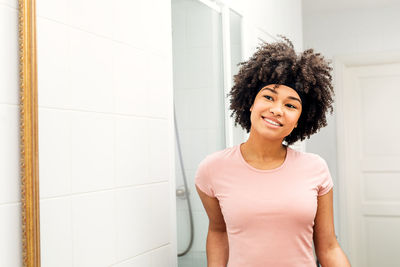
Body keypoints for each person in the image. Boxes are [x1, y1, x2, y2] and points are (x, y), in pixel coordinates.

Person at [194, 35, 351, 267]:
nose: (277, 110)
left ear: (299, 120)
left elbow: (328, 246)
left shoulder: (315, 168)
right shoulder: (212, 168)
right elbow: (218, 232)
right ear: (251, 103)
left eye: (291, 105)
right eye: (268, 97)